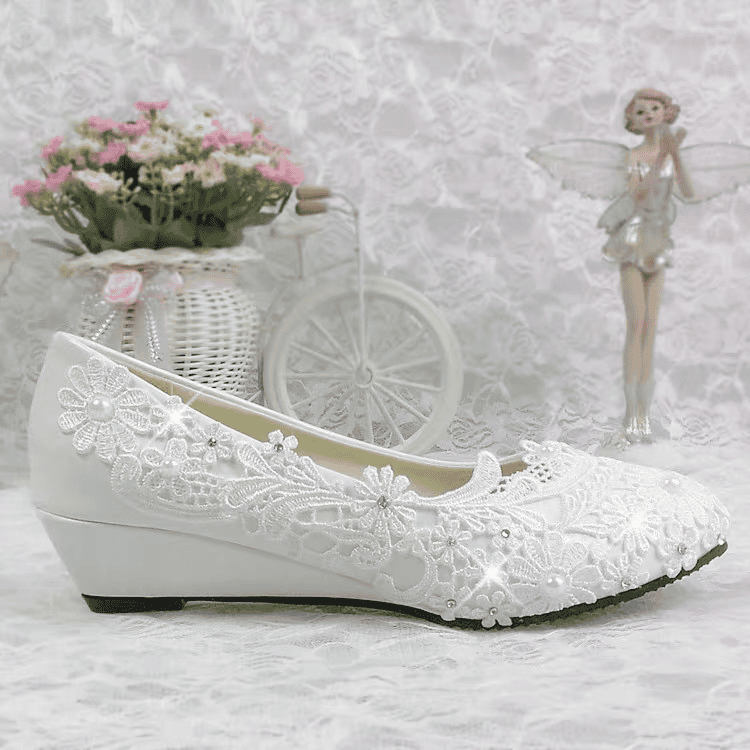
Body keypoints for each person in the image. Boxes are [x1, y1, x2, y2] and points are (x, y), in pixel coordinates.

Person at [598, 89, 694, 442]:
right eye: (641, 111)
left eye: (655, 108)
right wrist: (663, 154)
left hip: (658, 241)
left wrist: (674, 154)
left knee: (651, 330)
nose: (649, 114)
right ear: (633, 121)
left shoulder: (671, 152)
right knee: (635, 324)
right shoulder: (634, 156)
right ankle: (630, 413)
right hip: (633, 239)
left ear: (667, 113)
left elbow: (689, 192)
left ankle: (644, 414)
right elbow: (637, 195)